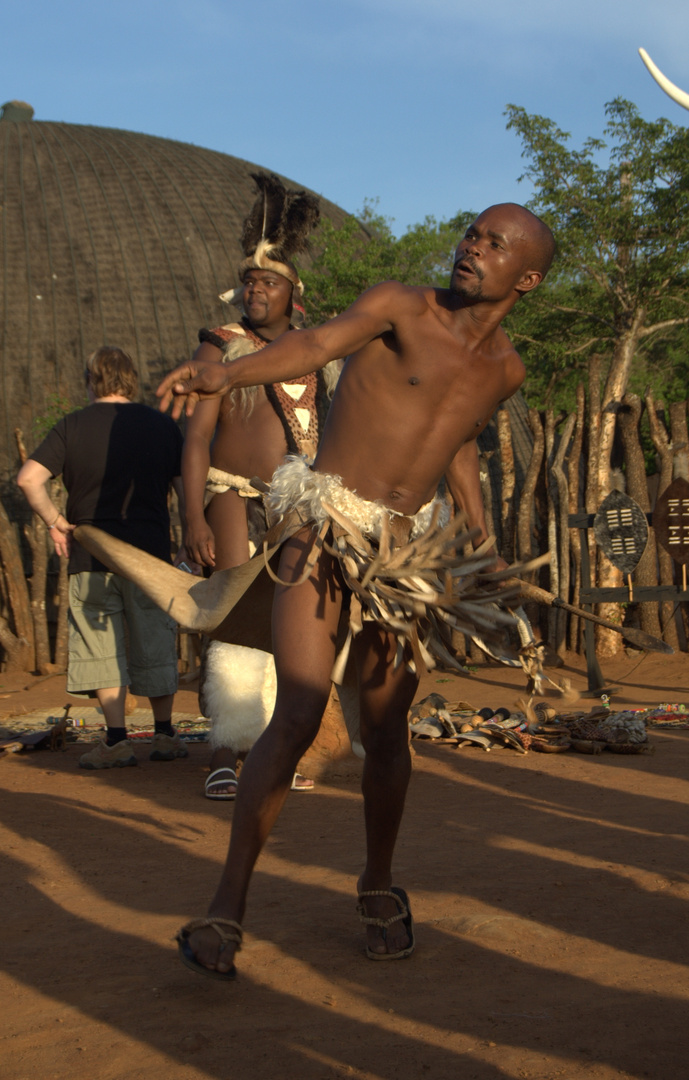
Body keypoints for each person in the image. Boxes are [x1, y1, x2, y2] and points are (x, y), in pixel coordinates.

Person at [159, 202, 556, 978]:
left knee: (384, 729)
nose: (471, 248)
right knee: (299, 708)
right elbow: (314, 343)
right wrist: (226, 373)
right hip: (322, 526)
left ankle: (376, 884)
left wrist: (479, 542)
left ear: (528, 278)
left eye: (494, 244)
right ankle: (225, 910)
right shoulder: (397, 306)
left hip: (401, 558)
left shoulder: (503, 370)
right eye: (472, 233)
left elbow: (460, 443)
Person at [181, 172, 335, 799]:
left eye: (268, 282)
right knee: (234, 619)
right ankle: (225, 751)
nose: (254, 291)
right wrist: (193, 513)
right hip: (232, 495)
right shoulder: (220, 348)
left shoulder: (314, 351)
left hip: (295, 503)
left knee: (288, 625)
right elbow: (195, 438)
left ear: (292, 296)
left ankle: (273, 748)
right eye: (248, 281)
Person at [17, 346, 185, 770]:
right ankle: (164, 735)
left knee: (101, 646)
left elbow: (28, 478)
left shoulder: (72, 425)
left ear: (92, 380)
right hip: (150, 557)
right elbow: (186, 490)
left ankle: (116, 740)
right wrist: (189, 539)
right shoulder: (162, 426)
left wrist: (57, 521)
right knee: (155, 637)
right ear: (130, 377)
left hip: (92, 555)